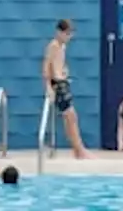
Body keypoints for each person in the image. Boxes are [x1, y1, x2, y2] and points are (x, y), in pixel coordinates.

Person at [42, 18, 90, 159]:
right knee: (70, 116)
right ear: (59, 32)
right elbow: (46, 67)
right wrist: (48, 88)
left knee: (71, 118)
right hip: (56, 85)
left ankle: (78, 150)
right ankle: (79, 150)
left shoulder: (62, 47)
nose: (69, 37)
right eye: (67, 34)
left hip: (63, 83)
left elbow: (59, 64)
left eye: (71, 34)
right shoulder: (53, 46)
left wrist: (64, 71)